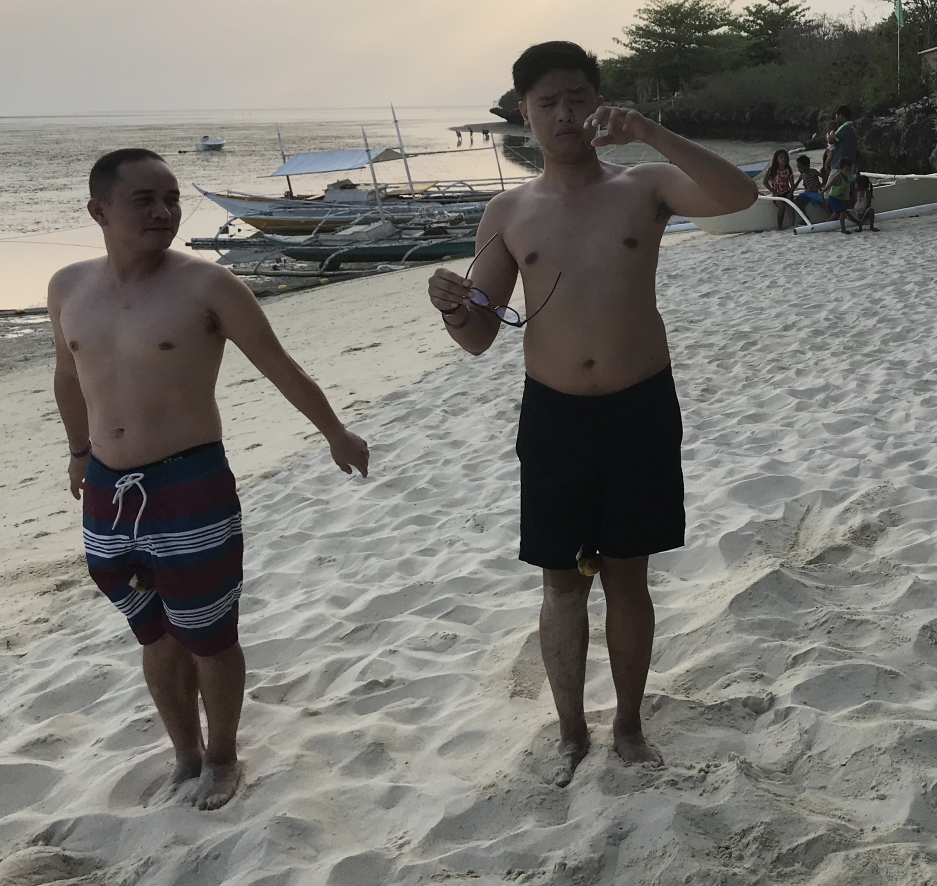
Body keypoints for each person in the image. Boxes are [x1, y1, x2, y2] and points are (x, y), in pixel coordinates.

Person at [427, 40, 757, 785]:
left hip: (640, 407)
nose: (565, 114)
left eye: (578, 97)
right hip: (554, 416)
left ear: (599, 102)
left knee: (628, 579)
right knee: (561, 583)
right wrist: (451, 306)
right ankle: (571, 730)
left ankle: (630, 725)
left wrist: (652, 132)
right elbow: (479, 336)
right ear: (524, 114)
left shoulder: (645, 186)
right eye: (547, 102)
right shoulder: (509, 211)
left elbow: (739, 195)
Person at [48, 149, 370, 811]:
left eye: (171, 198)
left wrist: (335, 431)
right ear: (99, 211)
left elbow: (279, 365)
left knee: (208, 633)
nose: (164, 211)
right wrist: (78, 451)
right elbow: (67, 374)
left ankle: (222, 756)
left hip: (189, 485)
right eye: (145, 200)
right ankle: (186, 755)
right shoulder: (67, 287)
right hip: (108, 491)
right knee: (154, 632)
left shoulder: (208, 286)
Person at [762, 148, 798, 230]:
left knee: (791, 208)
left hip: (787, 192)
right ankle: (779, 227)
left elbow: (792, 184)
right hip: (777, 193)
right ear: (776, 159)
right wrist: (773, 191)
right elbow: (765, 182)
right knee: (782, 208)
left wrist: (791, 193)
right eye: (781, 157)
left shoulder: (788, 169)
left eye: (785, 157)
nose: (783, 159)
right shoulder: (772, 170)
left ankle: (792, 226)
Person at [823, 159, 856, 234]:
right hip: (834, 197)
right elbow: (829, 185)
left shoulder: (847, 177)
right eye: (846, 170)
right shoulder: (837, 177)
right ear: (840, 169)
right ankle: (843, 229)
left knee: (836, 213)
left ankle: (827, 223)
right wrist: (822, 192)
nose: (848, 172)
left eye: (849, 170)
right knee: (842, 211)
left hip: (839, 197)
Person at [793, 154, 826, 223]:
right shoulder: (802, 175)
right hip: (807, 192)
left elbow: (824, 177)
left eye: (799, 167)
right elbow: (796, 184)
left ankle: (829, 214)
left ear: (805, 166)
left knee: (821, 200)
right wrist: (791, 192)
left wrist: (820, 186)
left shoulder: (813, 171)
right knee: (799, 199)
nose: (798, 169)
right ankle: (805, 217)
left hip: (815, 191)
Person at [845, 167, 877, 234]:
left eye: (856, 184)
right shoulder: (858, 192)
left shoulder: (867, 192)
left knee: (871, 210)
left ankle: (871, 226)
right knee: (847, 212)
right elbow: (856, 201)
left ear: (861, 185)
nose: (855, 186)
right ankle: (859, 223)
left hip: (864, 211)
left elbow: (868, 203)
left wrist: (864, 211)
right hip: (857, 210)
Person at [832, 105, 858, 172]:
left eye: (836, 116)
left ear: (840, 115)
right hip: (850, 165)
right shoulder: (851, 128)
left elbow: (831, 140)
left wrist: (830, 134)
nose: (836, 119)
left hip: (840, 166)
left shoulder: (845, 128)